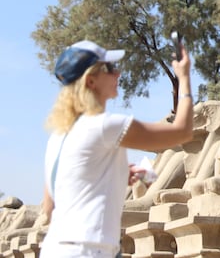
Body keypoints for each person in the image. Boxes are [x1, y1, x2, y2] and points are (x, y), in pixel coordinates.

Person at [39, 39, 194, 258]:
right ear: (90, 81)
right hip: (89, 249)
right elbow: (183, 132)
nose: (118, 73)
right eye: (109, 68)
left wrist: (114, 175)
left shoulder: (58, 136)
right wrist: (184, 77)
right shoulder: (105, 125)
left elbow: (49, 207)